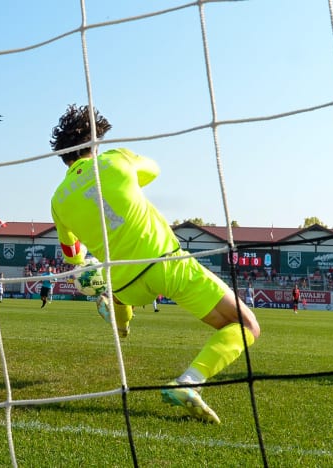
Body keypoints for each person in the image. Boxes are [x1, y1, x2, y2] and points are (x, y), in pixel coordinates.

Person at [49, 104, 261, 423]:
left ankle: (119, 319)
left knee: (115, 287)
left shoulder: (58, 200)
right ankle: (189, 383)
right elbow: (153, 170)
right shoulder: (116, 159)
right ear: (95, 142)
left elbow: (73, 255)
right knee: (246, 326)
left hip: (125, 283)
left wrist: (85, 264)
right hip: (166, 264)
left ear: (62, 155)